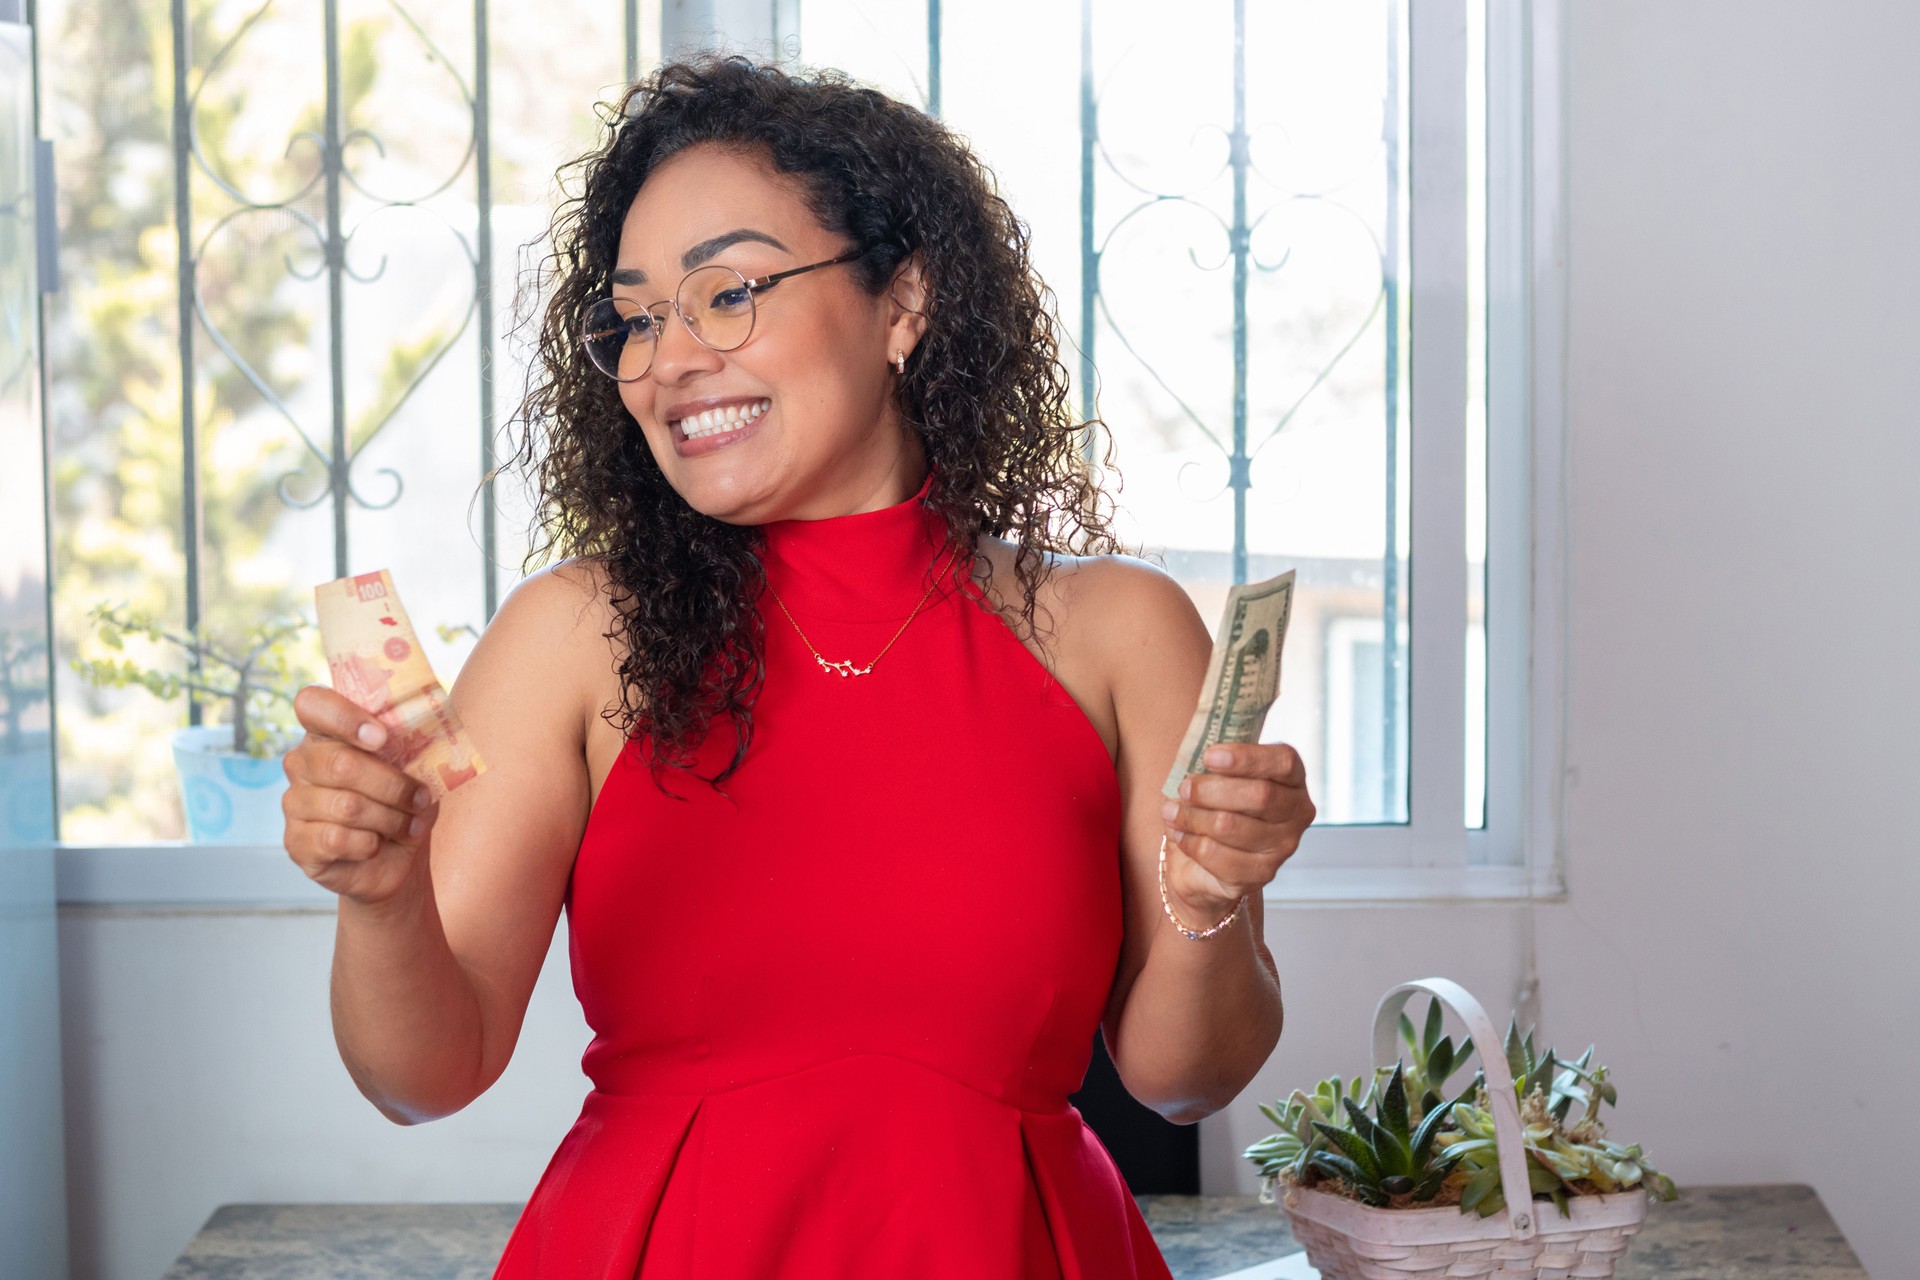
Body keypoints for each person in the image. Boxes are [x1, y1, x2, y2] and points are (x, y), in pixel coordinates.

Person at [281, 56, 1315, 1279]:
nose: (668, 358)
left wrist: (1210, 897)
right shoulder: (571, 636)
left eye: (728, 292)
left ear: (904, 302)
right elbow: (420, 1080)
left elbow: (1183, 1080)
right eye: (638, 315)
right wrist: (383, 896)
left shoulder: (1120, 631)